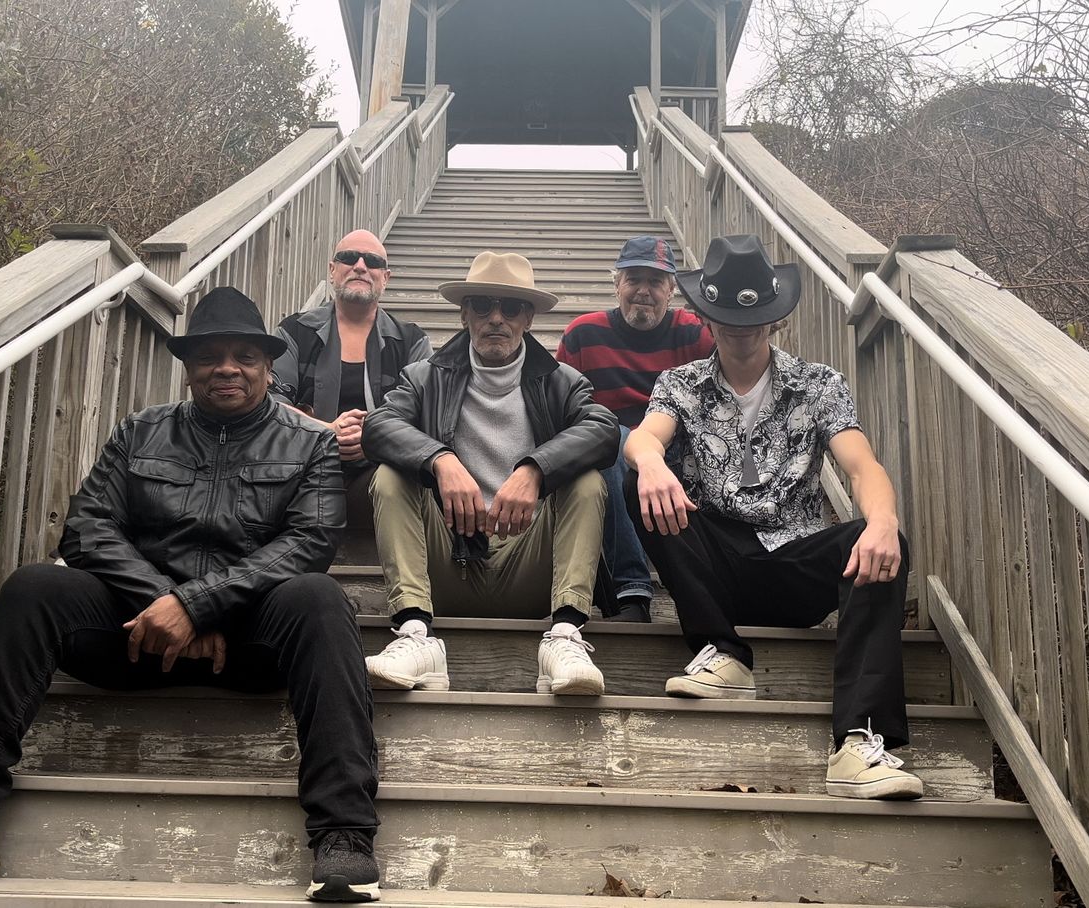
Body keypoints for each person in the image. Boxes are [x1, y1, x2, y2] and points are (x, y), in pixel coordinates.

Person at [0, 287, 384, 901]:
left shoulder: (311, 443)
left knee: (320, 597)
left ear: (268, 367)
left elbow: (310, 542)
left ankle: (344, 834)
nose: (226, 368)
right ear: (188, 367)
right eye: (209, 356)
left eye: (244, 356)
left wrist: (199, 604)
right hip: (136, 636)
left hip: (248, 645)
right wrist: (164, 603)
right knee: (35, 586)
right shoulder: (141, 431)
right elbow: (87, 527)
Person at [625, 235, 923, 800]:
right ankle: (724, 654)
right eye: (727, 317)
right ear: (706, 318)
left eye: (754, 317)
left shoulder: (818, 384)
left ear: (776, 317)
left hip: (794, 564)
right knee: (634, 478)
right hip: (715, 566)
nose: (741, 328)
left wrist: (883, 521)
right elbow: (644, 437)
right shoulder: (680, 384)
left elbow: (862, 466)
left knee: (883, 540)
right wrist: (651, 463)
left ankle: (859, 744)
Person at [360, 252, 618, 696]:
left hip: (528, 561)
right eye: (482, 305)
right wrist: (440, 459)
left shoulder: (561, 381)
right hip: (449, 559)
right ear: (464, 314)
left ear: (529, 318)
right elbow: (378, 426)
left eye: (511, 307)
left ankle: (565, 637)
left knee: (586, 481)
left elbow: (605, 430)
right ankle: (416, 635)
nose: (496, 318)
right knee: (389, 475)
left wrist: (535, 469)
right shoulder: (423, 377)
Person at [556, 235, 712, 622]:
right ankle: (632, 590)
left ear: (671, 290)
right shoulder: (583, 334)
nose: (643, 290)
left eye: (655, 281)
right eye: (633, 279)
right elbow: (560, 409)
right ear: (617, 285)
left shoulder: (694, 334)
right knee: (612, 437)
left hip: (680, 451)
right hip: (612, 453)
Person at [272, 229, 432, 520]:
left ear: (386, 277)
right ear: (332, 270)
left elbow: (428, 413)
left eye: (372, 261)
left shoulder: (411, 341)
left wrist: (373, 438)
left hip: (378, 475)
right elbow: (269, 402)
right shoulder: (294, 332)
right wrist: (326, 431)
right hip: (301, 467)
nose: (360, 266)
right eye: (349, 257)